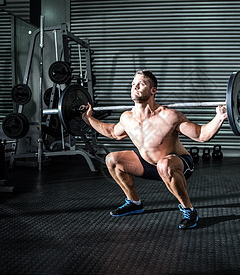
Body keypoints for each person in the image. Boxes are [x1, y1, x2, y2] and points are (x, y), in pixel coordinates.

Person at [80, 70, 227, 229]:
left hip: (177, 164)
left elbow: (201, 135)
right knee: (112, 160)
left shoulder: (169, 116)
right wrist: (88, 118)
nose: (135, 87)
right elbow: (112, 132)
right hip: (149, 165)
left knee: (164, 165)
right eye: (133, 84)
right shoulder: (127, 118)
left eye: (141, 84)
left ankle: (189, 210)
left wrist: (219, 117)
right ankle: (135, 203)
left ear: (153, 90)